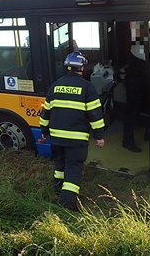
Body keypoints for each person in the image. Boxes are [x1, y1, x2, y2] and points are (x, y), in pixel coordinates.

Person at [39, 51, 105, 211]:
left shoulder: (55, 86)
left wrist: (44, 131)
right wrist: (99, 137)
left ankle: (57, 189)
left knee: (60, 163)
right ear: (81, 67)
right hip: (76, 140)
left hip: (56, 138)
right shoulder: (87, 88)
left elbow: (45, 112)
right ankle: (67, 205)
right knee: (73, 170)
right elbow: (95, 115)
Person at [122, 22, 150, 153]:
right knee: (132, 112)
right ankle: (127, 141)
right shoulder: (137, 47)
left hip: (141, 82)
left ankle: (149, 133)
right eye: (144, 30)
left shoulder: (142, 43)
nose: (147, 32)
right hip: (134, 84)